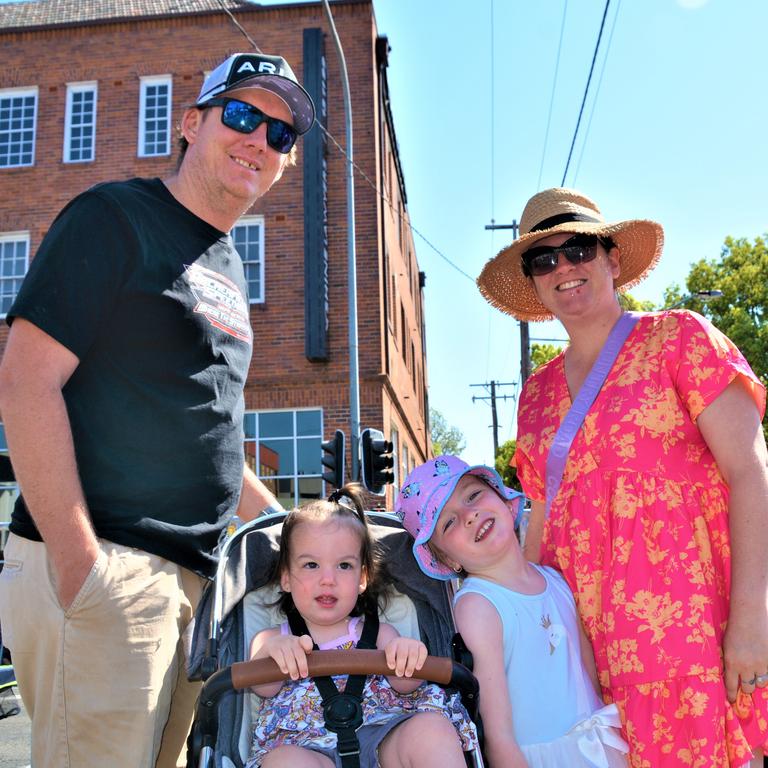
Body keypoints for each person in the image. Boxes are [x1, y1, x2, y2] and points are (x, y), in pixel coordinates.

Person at [0, 52, 315, 768]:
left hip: (197, 587)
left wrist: (292, 528)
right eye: (241, 115)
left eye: (281, 135)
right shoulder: (114, 216)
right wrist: (83, 566)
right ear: (189, 124)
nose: (259, 140)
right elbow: (23, 381)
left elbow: (207, 433)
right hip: (110, 566)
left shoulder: (228, 264)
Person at [477, 186, 768, 766]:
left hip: (692, 633)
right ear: (534, 282)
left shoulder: (679, 339)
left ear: (611, 259)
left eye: (580, 248)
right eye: (544, 259)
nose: (564, 267)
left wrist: (752, 618)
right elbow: (538, 522)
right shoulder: (534, 395)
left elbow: (751, 474)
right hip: (586, 655)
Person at [397, 455, 629, 767]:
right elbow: (498, 734)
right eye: (448, 522)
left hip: (599, 748)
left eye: (474, 495)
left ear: (505, 502)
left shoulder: (556, 580)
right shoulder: (479, 606)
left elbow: (592, 681)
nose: (468, 515)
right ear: (447, 560)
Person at [246, 483, 473, 768]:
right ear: (286, 578)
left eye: (344, 566)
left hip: (382, 739)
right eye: (311, 565)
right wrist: (275, 653)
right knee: (284, 762)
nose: (328, 579)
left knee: (431, 729)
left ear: (362, 578)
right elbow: (261, 686)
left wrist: (407, 654)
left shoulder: (380, 634)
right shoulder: (269, 638)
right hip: (303, 747)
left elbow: (406, 686)